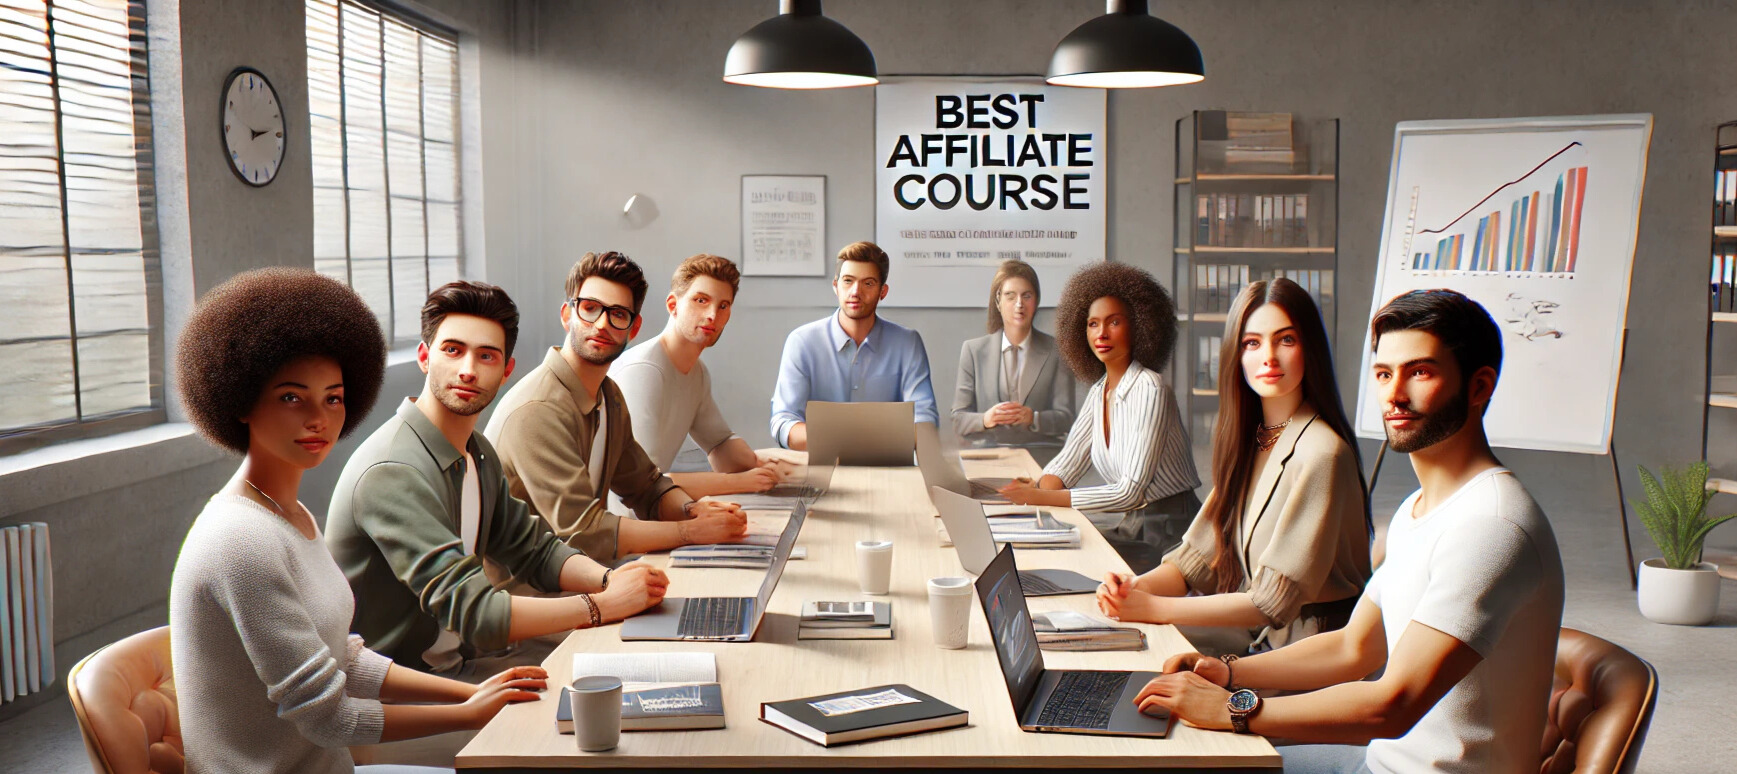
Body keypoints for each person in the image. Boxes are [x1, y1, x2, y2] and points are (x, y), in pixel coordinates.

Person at [1135, 290, 1564, 774]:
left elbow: (1392, 706)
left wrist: (1234, 707)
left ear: (1479, 386)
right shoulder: (1417, 509)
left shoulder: (1491, 525)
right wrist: (1230, 673)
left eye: (1420, 372)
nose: (1395, 395)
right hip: (1378, 763)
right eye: (1384, 374)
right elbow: (1352, 648)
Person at [170, 268, 546, 773]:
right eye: (290, 397)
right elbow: (328, 719)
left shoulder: (288, 514)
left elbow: (342, 658)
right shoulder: (242, 540)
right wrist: (465, 713)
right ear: (241, 400)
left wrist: (471, 692)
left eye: (333, 398)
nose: (317, 418)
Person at [327, 280, 671, 674]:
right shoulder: (393, 471)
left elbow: (533, 550)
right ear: (425, 356)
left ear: (507, 369)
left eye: (486, 356)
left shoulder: (476, 450)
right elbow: (477, 613)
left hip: (464, 663)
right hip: (403, 694)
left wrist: (608, 579)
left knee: (629, 670)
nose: (468, 371)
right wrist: (603, 604)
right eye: (453, 351)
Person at [1096, 278, 1371, 657]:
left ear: (1310, 349)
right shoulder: (1255, 439)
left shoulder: (1323, 453)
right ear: (1236, 355)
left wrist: (1155, 608)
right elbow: (1193, 562)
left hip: (1308, 656)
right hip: (1261, 638)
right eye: (1252, 343)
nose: (1269, 357)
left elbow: (1270, 602)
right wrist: (1132, 589)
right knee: (1122, 647)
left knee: (1149, 655)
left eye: (1286, 340)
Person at [484, 252, 748, 562]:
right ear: (567, 315)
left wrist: (694, 510)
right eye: (590, 309)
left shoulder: (608, 395)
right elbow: (584, 532)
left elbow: (646, 486)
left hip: (584, 574)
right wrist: (691, 532)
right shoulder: (537, 409)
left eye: (618, 314)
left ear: (633, 329)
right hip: (528, 596)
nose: (602, 324)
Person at [999, 263, 1201, 574]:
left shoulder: (1150, 388)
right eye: (1092, 324)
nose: (1101, 333)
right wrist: (1035, 488)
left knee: (1068, 555)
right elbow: (1068, 462)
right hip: (1133, 523)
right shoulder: (1100, 391)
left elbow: (1130, 491)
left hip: (1170, 532)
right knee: (1045, 544)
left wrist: (1038, 497)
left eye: (1114, 322)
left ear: (1139, 326)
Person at [611, 254, 787, 498]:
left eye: (723, 306)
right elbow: (639, 484)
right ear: (673, 305)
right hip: (616, 525)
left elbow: (720, 444)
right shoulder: (644, 371)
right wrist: (744, 482)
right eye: (701, 300)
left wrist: (772, 463)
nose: (713, 315)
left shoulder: (697, 372)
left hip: (651, 512)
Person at [769, 241, 939, 450]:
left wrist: (849, 439)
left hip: (887, 469)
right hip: (817, 470)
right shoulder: (802, 342)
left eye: (868, 283)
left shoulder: (907, 343)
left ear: (882, 292)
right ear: (835, 286)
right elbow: (783, 422)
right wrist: (850, 439)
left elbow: (925, 423)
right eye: (848, 281)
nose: (856, 292)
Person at [951, 259, 1077, 459]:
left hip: (1044, 459)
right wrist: (986, 418)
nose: (1019, 304)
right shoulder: (973, 351)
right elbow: (958, 419)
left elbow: (1067, 418)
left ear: (1036, 301)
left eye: (1026, 296)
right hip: (988, 459)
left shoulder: (1057, 351)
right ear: (998, 301)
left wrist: (1033, 418)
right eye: (1010, 296)